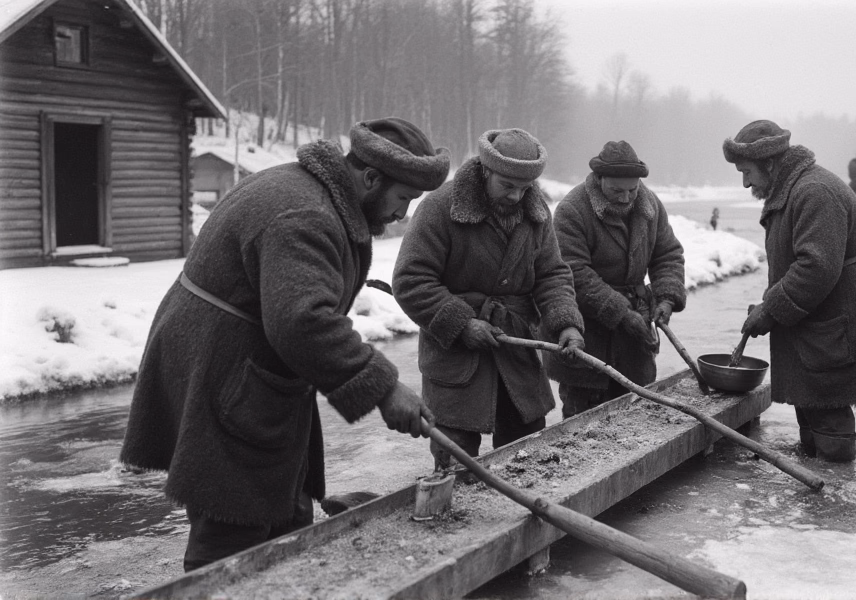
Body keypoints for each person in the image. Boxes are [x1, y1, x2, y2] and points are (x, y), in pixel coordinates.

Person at [120, 118, 450, 571]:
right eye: (403, 199)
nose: (403, 215)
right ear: (371, 178)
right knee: (232, 524)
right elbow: (302, 320)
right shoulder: (306, 213)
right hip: (227, 372)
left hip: (243, 362)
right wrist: (385, 388)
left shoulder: (317, 192)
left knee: (283, 507)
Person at [393, 128, 586, 471]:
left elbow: (553, 275)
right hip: (456, 358)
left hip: (516, 350)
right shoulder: (440, 207)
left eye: (525, 188)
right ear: (486, 170)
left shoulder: (536, 212)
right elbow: (411, 280)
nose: (516, 196)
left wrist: (566, 323)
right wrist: (462, 323)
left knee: (529, 456)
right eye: (507, 186)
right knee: (455, 459)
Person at [724, 120, 856, 462]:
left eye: (747, 171)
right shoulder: (793, 188)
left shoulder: (814, 191)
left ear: (769, 162)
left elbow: (816, 268)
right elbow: (796, 261)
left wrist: (771, 310)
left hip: (840, 312)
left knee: (828, 393)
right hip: (822, 309)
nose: (745, 182)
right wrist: (771, 303)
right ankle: (814, 464)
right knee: (811, 390)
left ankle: (834, 488)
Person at [546, 141, 686, 418]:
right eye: (616, 190)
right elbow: (574, 272)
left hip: (635, 336)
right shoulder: (572, 210)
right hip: (586, 330)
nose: (625, 198)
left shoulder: (650, 206)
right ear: (599, 180)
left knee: (636, 412)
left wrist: (667, 296)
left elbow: (668, 254)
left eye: (632, 190)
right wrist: (621, 312)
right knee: (583, 421)